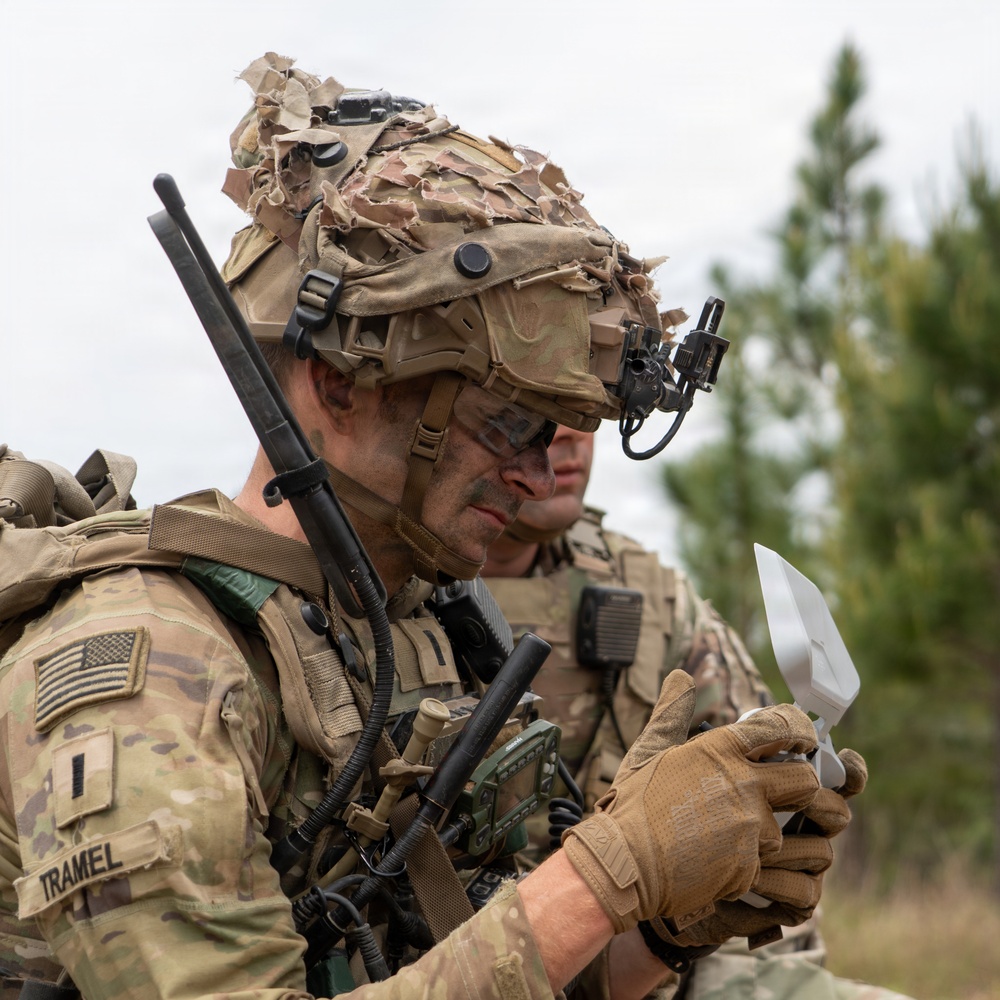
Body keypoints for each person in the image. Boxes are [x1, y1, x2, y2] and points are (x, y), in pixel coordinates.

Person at [0, 54, 853, 1000]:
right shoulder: (151, 665)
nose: (537, 470)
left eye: (554, 431)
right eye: (506, 422)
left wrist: (663, 922)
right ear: (338, 385)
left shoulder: (417, 627)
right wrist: (599, 878)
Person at [482, 425, 911, 1000]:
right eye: (539, 404)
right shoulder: (370, 607)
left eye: (587, 408)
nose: (569, 434)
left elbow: (771, 815)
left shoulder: (654, 598)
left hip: (660, 972)